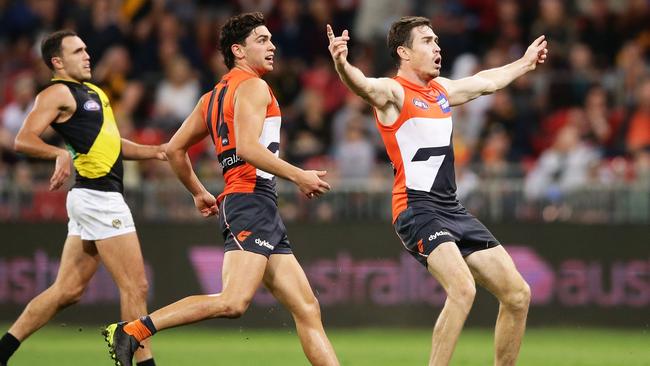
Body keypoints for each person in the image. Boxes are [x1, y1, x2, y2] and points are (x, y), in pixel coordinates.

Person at [102, 12, 339, 366]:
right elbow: (247, 147)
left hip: (255, 204)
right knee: (233, 302)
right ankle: (134, 329)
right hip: (249, 201)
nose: (272, 46)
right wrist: (299, 175)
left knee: (307, 307)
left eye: (271, 39)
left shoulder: (210, 98)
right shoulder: (255, 87)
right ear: (238, 51)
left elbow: (174, 150)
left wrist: (198, 191)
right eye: (262, 40)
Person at [327, 17, 548, 366]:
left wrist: (524, 63)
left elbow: (485, 82)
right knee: (462, 289)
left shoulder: (441, 90)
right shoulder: (394, 92)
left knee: (518, 294)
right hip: (416, 208)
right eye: (427, 41)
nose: (437, 47)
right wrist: (342, 63)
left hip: (451, 209)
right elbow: (363, 86)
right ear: (404, 52)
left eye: (437, 41)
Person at [0, 30, 165, 366]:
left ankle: (2, 352)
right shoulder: (57, 92)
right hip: (99, 196)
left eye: (87, 50)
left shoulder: (94, 92)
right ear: (57, 62)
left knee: (67, 291)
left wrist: (156, 151)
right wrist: (58, 155)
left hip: (91, 198)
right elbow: (23, 139)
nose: (87, 55)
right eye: (77, 51)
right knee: (136, 287)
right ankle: (142, 363)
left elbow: (112, 144)